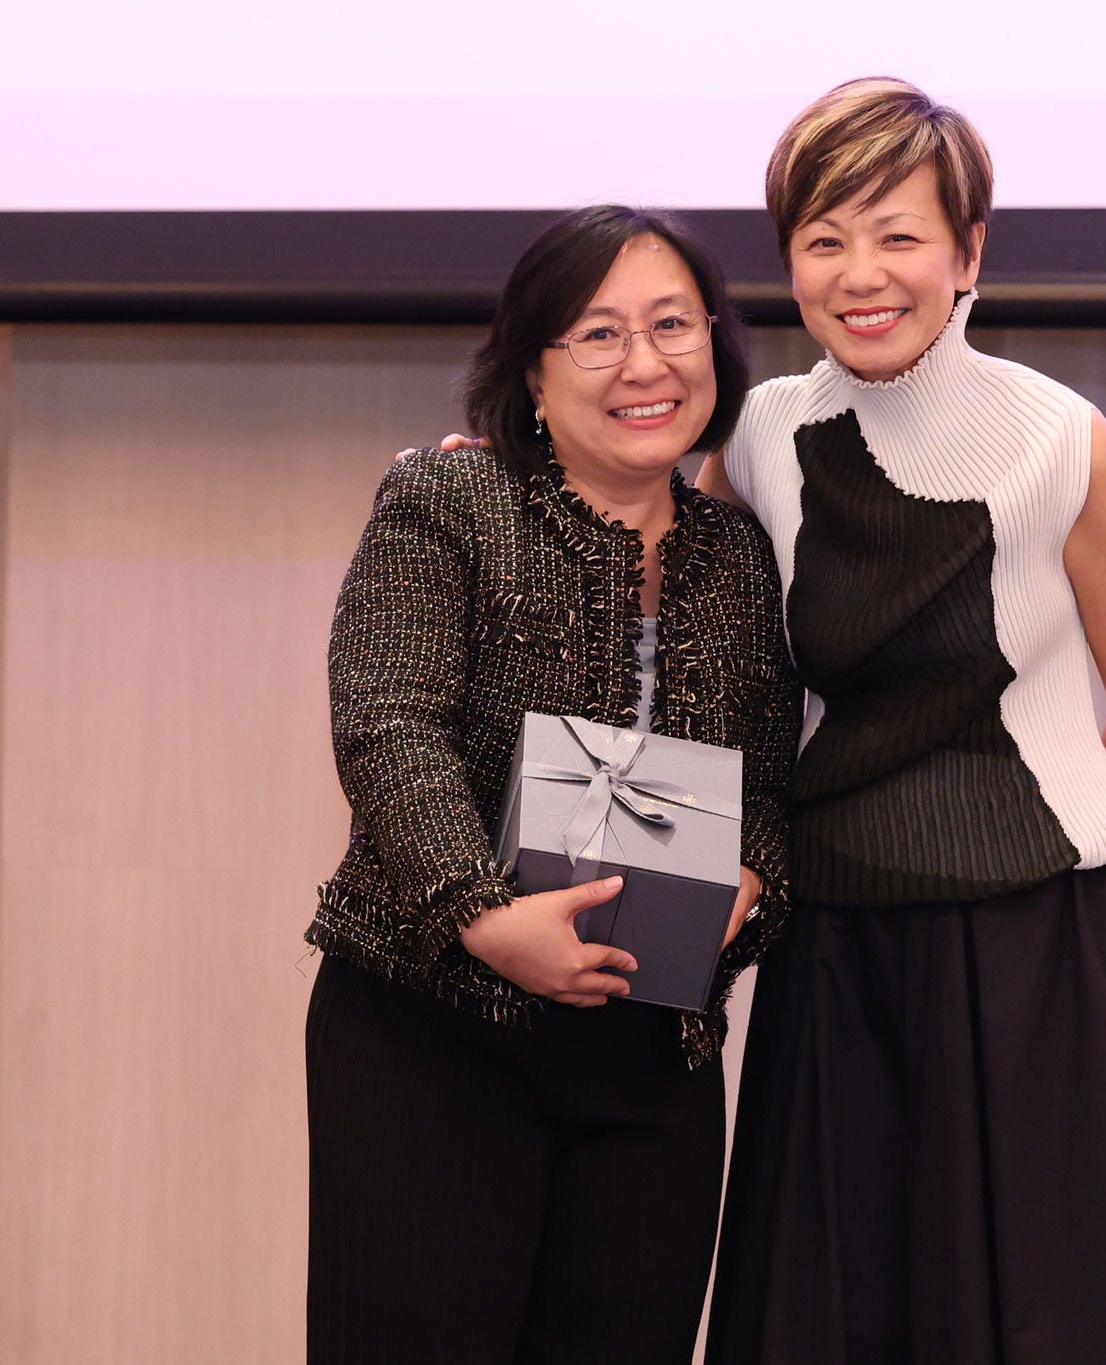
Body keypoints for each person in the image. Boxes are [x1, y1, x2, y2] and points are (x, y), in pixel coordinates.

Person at [695, 79, 1106, 1363]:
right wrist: (502, 471)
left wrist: (1049, 874)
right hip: (838, 945)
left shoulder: (1059, 437)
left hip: (1038, 946)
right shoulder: (766, 433)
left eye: (897, 235)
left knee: (1051, 1310)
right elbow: (696, 636)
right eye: (823, 239)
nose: (859, 274)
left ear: (967, 251)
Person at [304, 205, 802, 1364]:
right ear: (532, 371)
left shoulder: (743, 558)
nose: (644, 364)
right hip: (434, 1032)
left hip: (655, 1061)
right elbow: (386, 723)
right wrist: (482, 918)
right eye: (597, 334)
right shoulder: (449, 501)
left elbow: (772, 789)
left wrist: (754, 881)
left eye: (671, 325)